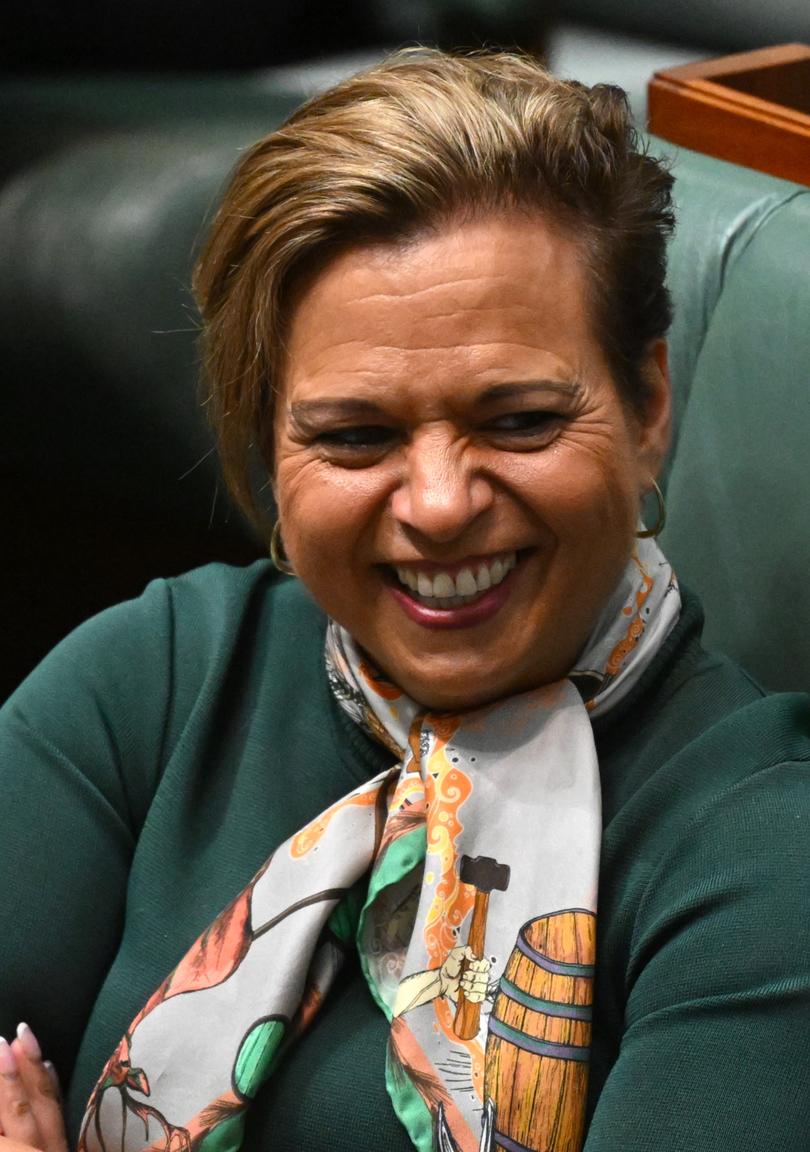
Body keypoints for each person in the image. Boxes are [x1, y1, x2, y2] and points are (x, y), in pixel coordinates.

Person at [0, 48, 808, 1152]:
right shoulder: (158, 674)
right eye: (356, 436)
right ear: (270, 445)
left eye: (519, 419)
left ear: (648, 402)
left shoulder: (765, 844)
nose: (436, 505)